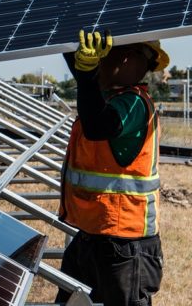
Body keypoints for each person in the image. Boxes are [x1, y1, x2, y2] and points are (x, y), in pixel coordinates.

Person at [56, 30, 167, 305]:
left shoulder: (134, 104)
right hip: (92, 236)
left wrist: (87, 72)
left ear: (129, 59)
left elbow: (97, 125)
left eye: (106, 54)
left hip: (124, 244)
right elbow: (84, 77)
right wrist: (65, 33)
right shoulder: (106, 96)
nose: (99, 61)